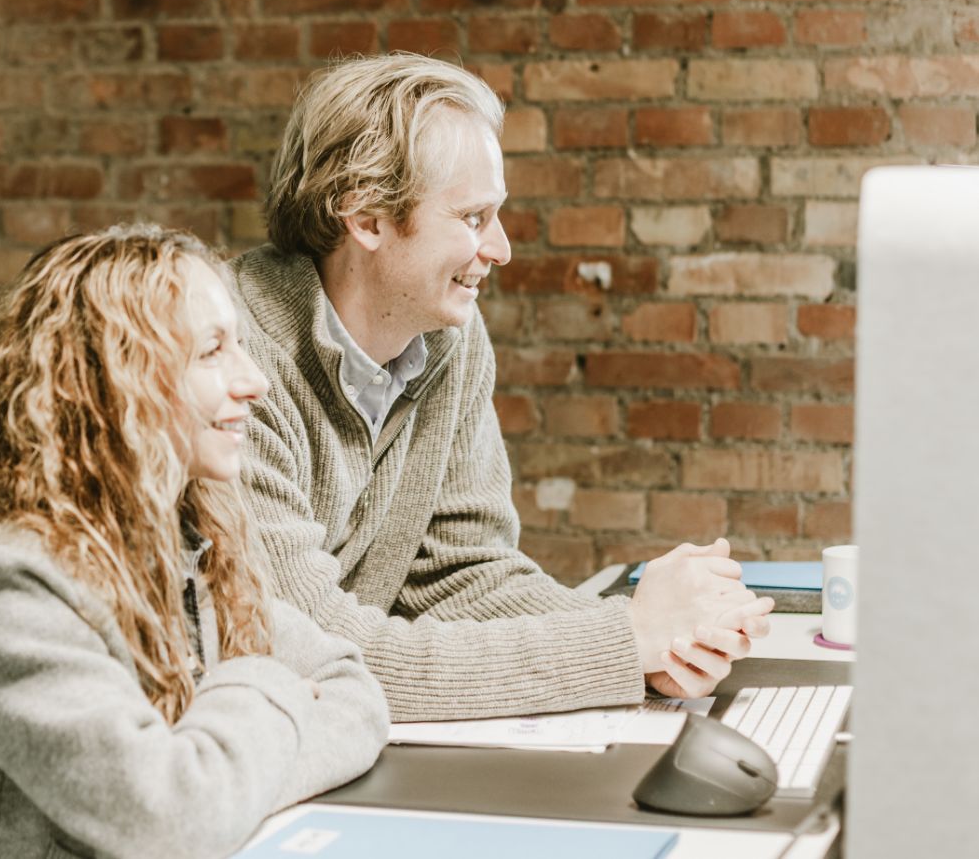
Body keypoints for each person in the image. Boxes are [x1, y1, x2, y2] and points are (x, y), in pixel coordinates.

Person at [231, 53, 773, 723]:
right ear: (367, 219)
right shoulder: (226, 364)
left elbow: (464, 573)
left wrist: (658, 645)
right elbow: (315, 653)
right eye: (473, 218)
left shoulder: (448, 339)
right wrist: (621, 640)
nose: (502, 249)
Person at [0, 227, 388, 859]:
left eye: (243, 346)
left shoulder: (195, 544)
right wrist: (264, 684)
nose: (254, 381)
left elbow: (353, 690)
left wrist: (224, 782)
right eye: (211, 352)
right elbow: (167, 821)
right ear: (115, 382)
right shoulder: (1, 587)